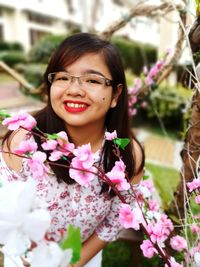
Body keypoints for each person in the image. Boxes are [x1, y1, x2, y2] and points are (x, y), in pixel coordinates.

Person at [0, 32, 145, 267]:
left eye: (92, 80)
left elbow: (114, 220)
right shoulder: (22, 142)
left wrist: (73, 263)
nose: (75, 90)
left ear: (116, 95)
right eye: (63, 77)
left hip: (83, 258)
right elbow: (5, 211)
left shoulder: (127, 156)